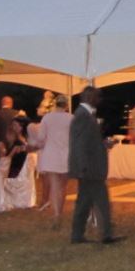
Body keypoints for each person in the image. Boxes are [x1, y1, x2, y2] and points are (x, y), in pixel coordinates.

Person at [69, 86, 122, 245]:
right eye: (98, 97)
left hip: (89, 167)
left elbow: (88, 142)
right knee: (102, 202)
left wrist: (104, 144)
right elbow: (79, 144)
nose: (99, 100)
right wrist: (82, 166)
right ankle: (106, 234)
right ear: (90, 97)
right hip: (90, 168)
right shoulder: (82, 115)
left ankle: (77, 235)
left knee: (84, 203)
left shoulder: (85, 115)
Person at [30, 94, 73, 228]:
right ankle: (59, 212)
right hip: (66, 155)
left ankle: (56, 214)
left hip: (51, 155)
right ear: (66, 105)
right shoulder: (71, 118)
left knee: (54, 186)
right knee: (63, 186)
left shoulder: (47, 118)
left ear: (55, 104)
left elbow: (41, 137)